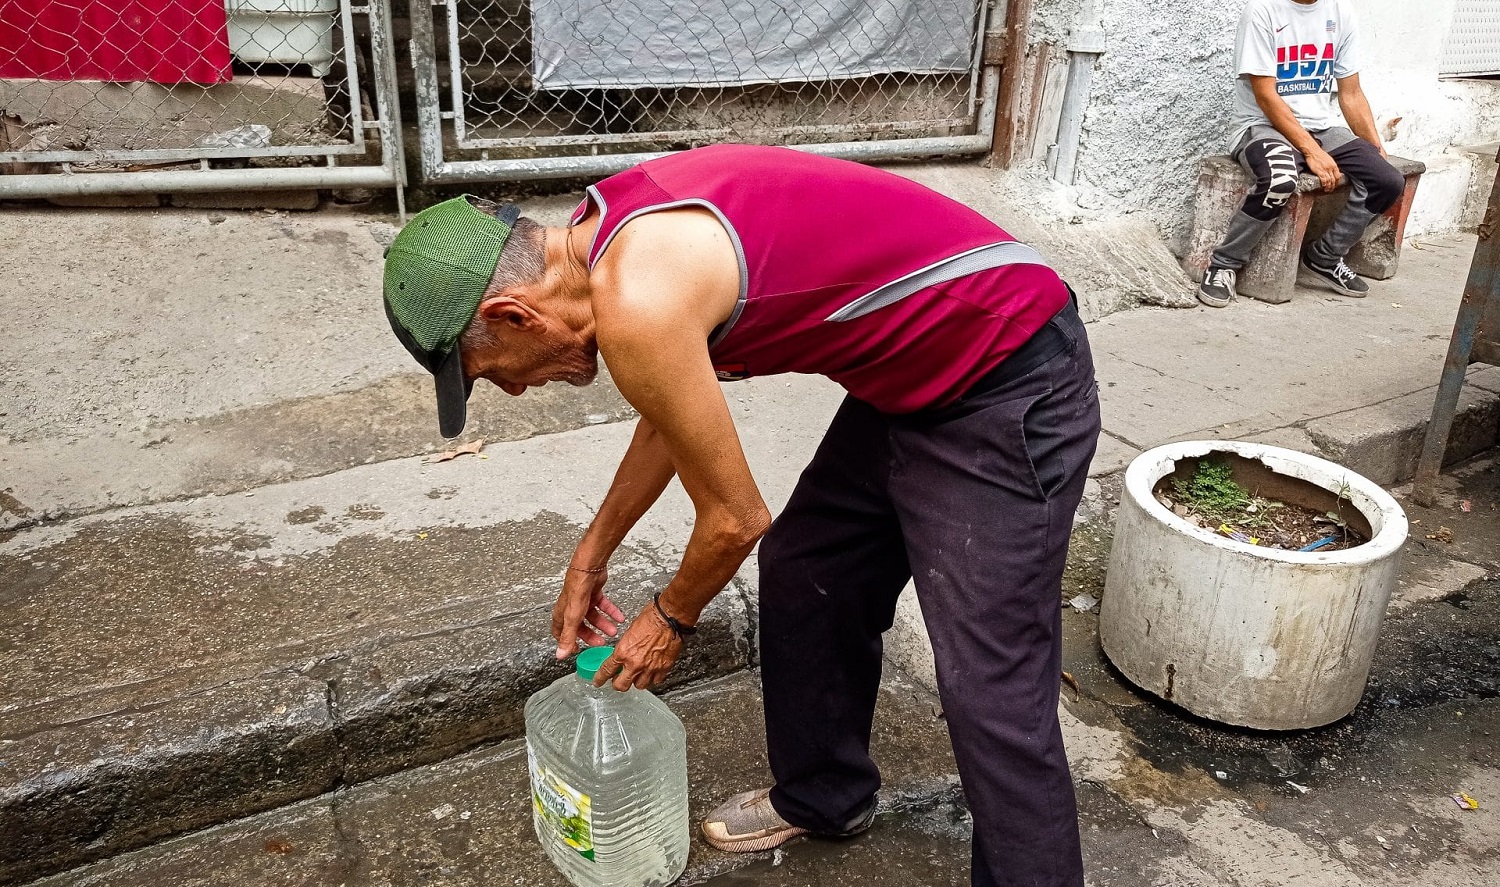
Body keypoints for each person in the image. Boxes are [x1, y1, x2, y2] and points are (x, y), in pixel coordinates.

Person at [381, 144, 1099, 887]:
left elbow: (733, 517)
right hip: (911, 377)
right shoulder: (608, 231)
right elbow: (669, 412)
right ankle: (825, 795)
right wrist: (592, 554)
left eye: (494, 372)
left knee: (992, 684)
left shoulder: (638, 301)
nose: (519, 391)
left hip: (1011, 372)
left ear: (512, 313)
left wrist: (671, 615)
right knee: (810, 566)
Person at [1199, 0, 1406, 308]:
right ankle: (1224, 264)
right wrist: (1311, 151)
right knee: (1279, 180)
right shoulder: (1262, 11)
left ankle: (1325, 256)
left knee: (1387, 180)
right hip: (1262, 126)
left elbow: (1350, 92)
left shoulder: (1340, 12)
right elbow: (1266, 95)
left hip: (1321, 128)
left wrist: (1374, 146)